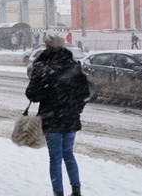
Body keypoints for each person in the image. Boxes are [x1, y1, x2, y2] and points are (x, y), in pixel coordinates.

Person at [26, 34, 90, 196]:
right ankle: (76, 190)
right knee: (68, 154)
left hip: (51, 118)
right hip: (70, 119)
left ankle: (58, 192)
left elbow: (32, 94)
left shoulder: (42, 66)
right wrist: (76, 109)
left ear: (47, 46)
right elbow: (85, 93)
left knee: (55, 158)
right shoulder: (73, 65)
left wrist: (45, 88)